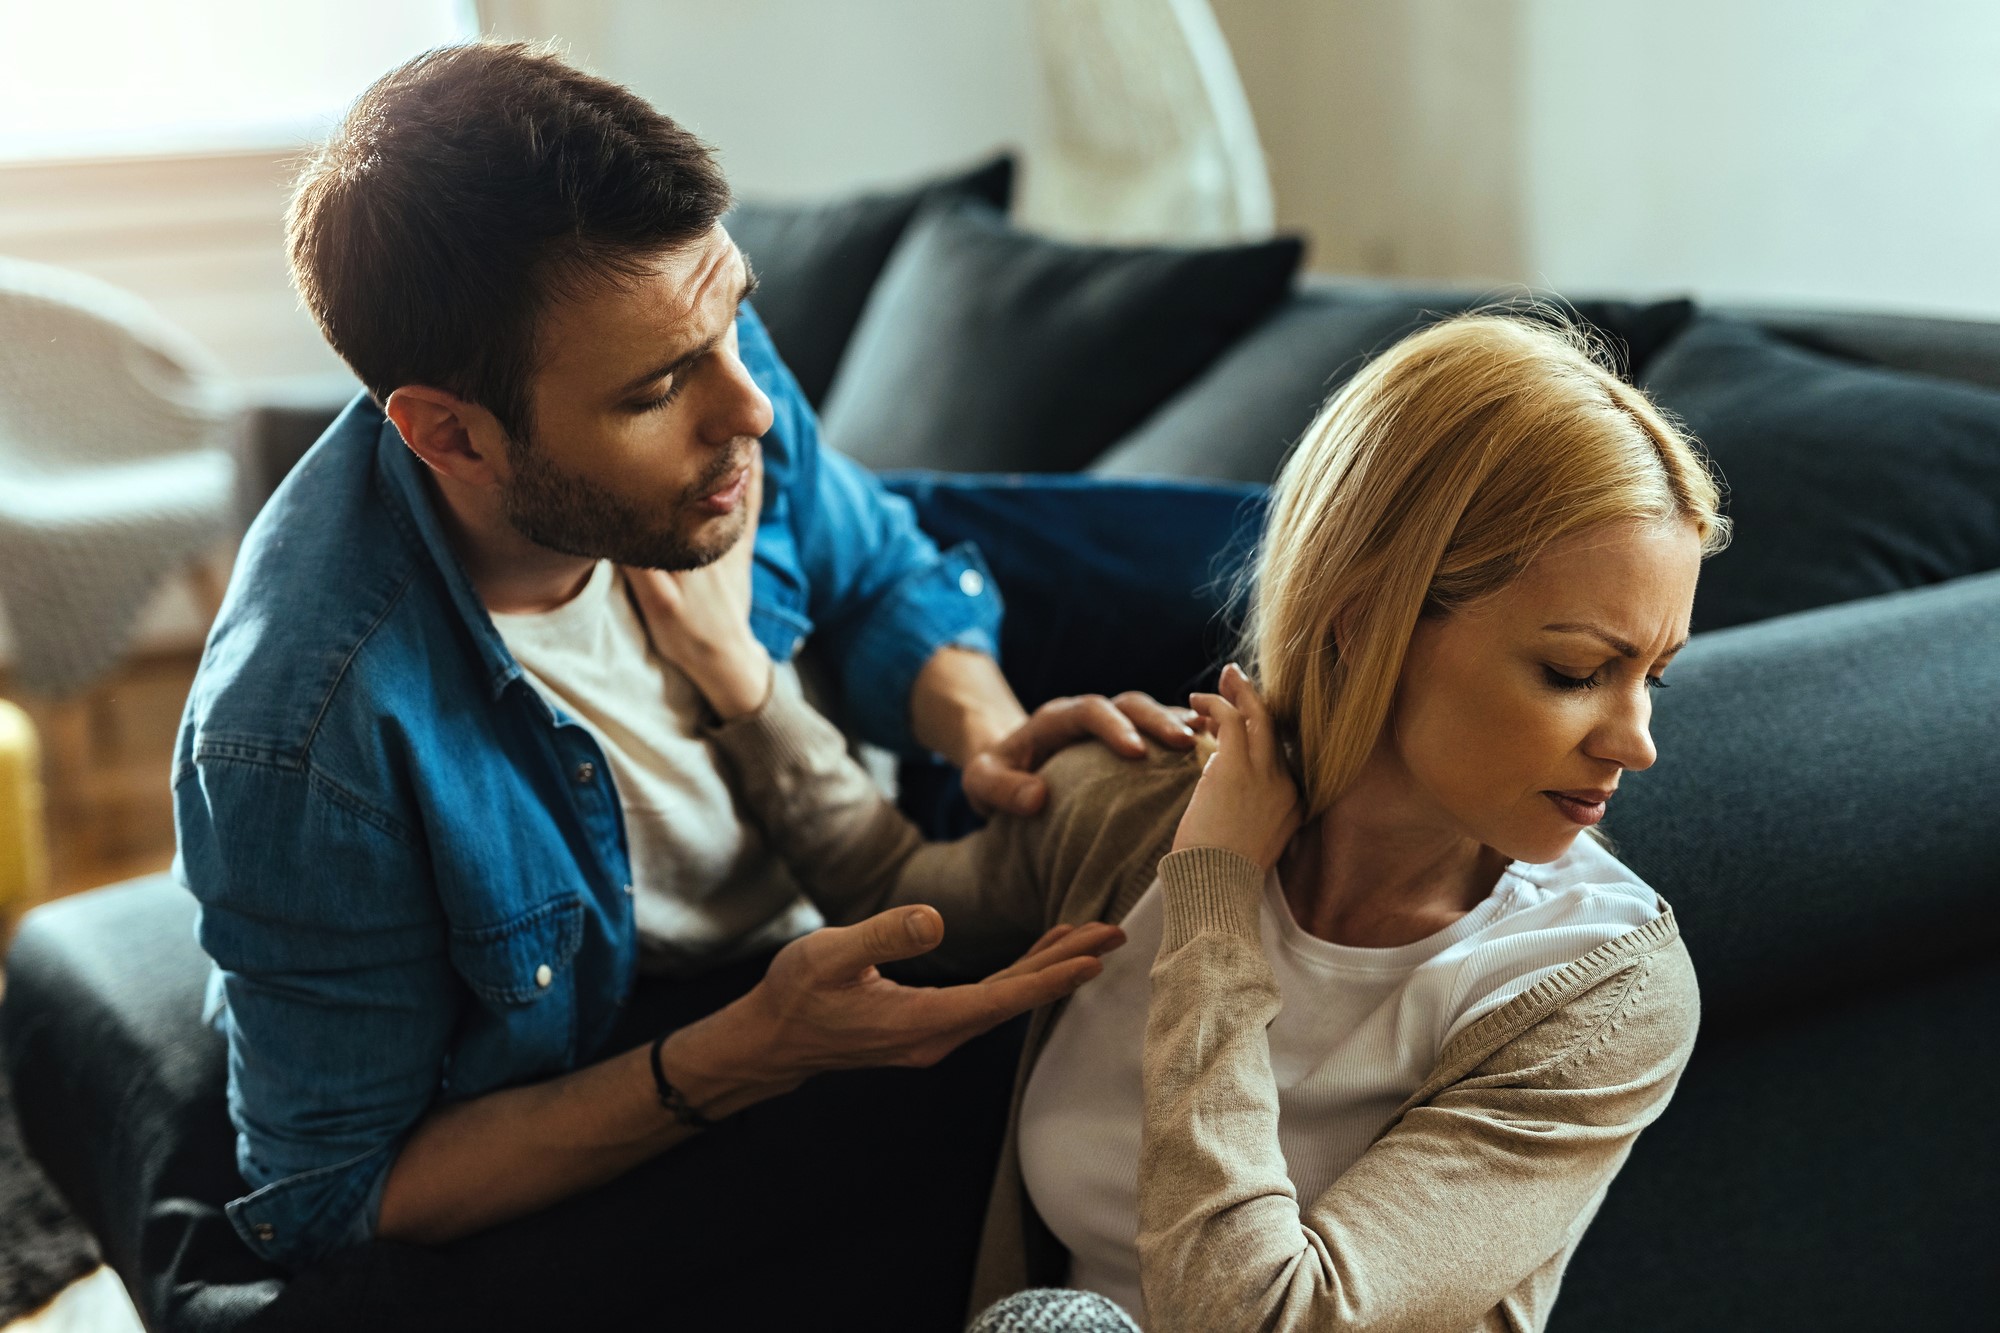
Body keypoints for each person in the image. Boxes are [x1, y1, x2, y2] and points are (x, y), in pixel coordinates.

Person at [175, 41, 1192, 1285]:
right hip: (702, 1022)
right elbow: (338, 1186)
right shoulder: (307, 741)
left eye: (731, 322)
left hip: (865, 819)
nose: (749, 405)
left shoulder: (711, 358)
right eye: (659, 386)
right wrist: (750, 1049)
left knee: (1304, 557)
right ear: (450, 434)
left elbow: (877, 572)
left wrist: (988, 742)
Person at [634, 311, 1729, 1331]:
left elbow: (1260, 1315)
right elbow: (902, 898)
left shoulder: (1594, 992)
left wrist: (1216, 904)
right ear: (1362, 625)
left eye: (1650, 678)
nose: (1631, 740)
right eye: (1577, 671)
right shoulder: (1151, 799)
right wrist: (744, 686)